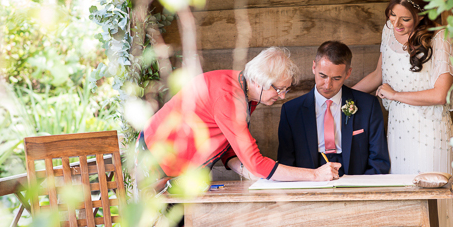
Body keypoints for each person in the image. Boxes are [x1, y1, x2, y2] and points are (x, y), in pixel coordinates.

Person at [260, 41, 411, 227]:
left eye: (336, 78)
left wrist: (352, 214)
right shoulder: (291, 111)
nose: (327, 84)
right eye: (322, 75)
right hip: (309, 209)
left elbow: (379, 163)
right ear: (313, 67)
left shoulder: (367, 106)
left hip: (357, 207)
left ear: (348, 73)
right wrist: (312, 216)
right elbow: (287, 168)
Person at [353, 0, 453, 227]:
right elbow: (380, 75)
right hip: (398, 133)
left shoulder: (440, 37)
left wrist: (393, 95)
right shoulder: (389, 30)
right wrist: (343, 95)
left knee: (431, 210)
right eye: (392, 14)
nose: (397, 24)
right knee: (403, 208)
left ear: (422, 16)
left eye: (405, 19)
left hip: (430, 133)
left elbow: (440, 94)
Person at [139, 46, 341, 191]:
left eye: (286, 90)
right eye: (279, 89)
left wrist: (241, 167)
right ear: (259, 82)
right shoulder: (230, 98)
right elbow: (256, 163)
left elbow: (224, 138)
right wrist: (315, 175)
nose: (282, 96)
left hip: (179, 166)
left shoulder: (243, 88)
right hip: (157, 161)